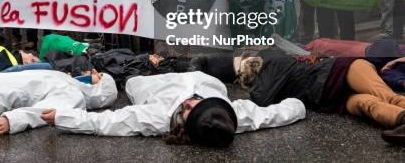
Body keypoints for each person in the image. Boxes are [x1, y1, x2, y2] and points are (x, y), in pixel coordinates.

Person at [42, 71, 304, 148]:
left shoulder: (158, 118)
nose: (191, 101)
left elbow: (106, 123)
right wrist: (301, 102)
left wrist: (63, 117)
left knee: (127, 76)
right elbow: (276, 115)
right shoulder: (235, 116)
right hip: (199, 73)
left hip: (146, 82)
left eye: (188, 108)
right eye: (200, 103)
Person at [248, 51, 405, 146]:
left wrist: (249, 71)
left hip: (337, 70)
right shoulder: (263, 83)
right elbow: (262, 101)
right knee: (368, 105)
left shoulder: (274, 61)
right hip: (329, 98)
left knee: (388, 97)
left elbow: (262, 98)